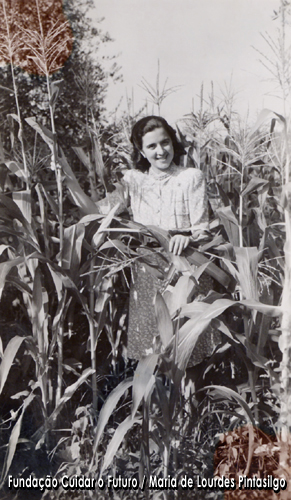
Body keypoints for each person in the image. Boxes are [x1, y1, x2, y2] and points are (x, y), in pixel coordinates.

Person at [98, 115, 220, 363]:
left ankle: (190, 400)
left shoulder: (191, 177)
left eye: (165, 143)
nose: (160, 151)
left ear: (173, 143)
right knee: (150, 351)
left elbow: (202, 228)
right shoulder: (133, 180)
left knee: (190, 346)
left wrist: (187, 237)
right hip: (148, 268)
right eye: (151, 146)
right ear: (141, 152)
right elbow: (101, 211)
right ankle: (156, 401)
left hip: (187, 266)